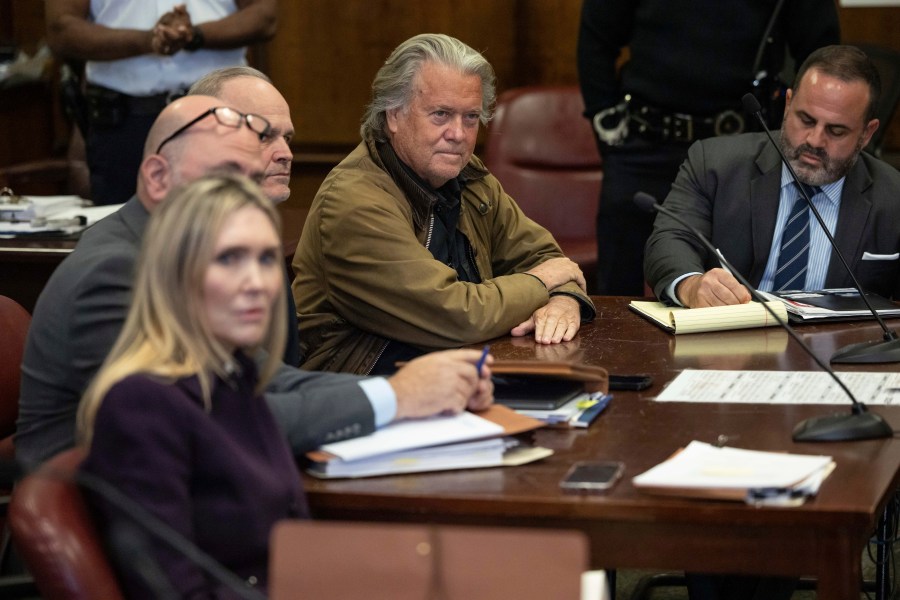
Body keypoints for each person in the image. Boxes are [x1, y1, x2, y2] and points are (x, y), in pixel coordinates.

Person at [17, 94, 494, 466]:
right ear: (159, 178)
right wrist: (397, 396)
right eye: (224, 176)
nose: (243, 196)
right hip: (119, 530)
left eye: (250, 177)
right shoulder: (116, 271)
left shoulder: (198, 257)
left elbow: (269, 381)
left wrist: (421, 388)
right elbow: (216, 422)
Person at [292, 33, 596, 376]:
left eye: (470, 118)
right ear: (394, 115)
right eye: (441, 114)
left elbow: (548, 260)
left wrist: (564, 300)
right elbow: (455, 314)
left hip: (456, 360)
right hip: (356, 383)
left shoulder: (469, 179)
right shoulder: (354, 201)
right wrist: (542, 284)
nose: (459, 134)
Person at [79, 174, 302, 598]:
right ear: (176, 272)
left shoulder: (231, 374)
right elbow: (172, 590)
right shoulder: (140, 404)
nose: (256, 282)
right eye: (228, 259)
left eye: (267, 259)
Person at [577, 0, 840, 295]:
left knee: (734, 286)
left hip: (742, 147)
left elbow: (820, 54)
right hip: (645, 142)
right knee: (618, 283)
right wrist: (606, 121)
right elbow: (596, 40)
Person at [644, 44, 900, 310]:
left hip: (837, 347)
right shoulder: (715, 165)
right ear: (788, 104)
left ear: (866, 134)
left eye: (836, 131)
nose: (815, 140)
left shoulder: (893, 197)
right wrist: (692, 285)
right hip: (728, 340)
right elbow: (670, 240)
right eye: (806, 120)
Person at [45, 0, 278, 205]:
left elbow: (264, 16)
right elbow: (61, 29)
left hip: (223, 118)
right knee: (122, 239)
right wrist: (148, 41)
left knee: (230, 230)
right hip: (123, 127)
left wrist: (193, 36)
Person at [188, 66, 300, 364]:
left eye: (287, 139)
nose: (285, 154)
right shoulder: (167, 248)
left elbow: (274, 373)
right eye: (264, 136)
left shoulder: (254, 231)